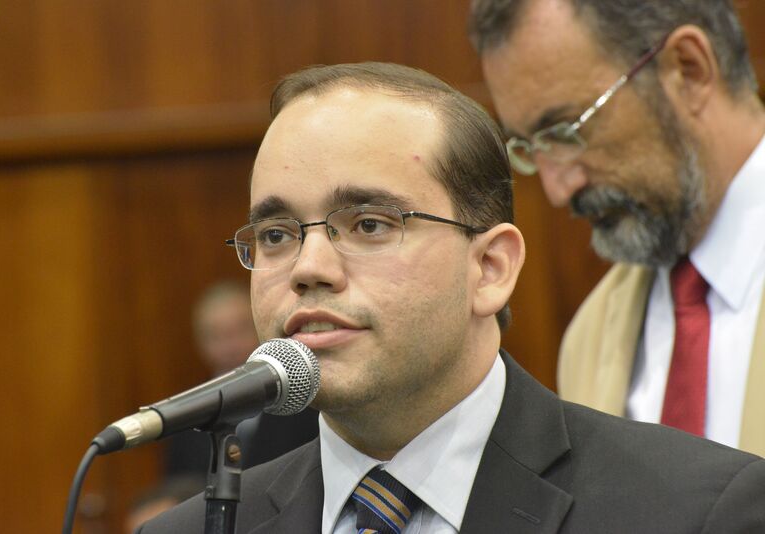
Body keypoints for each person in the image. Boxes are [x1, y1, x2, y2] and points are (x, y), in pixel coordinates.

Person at [138, 62, 765, 533]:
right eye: (276, 235)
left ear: (490, 268)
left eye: (369, 225)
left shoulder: (692, 511)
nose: (308, 268)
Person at [470, 0, 765, 455]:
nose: (557, 190)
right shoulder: (590, 337)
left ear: (688, 69)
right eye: (531, 147)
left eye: (566, 131)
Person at [165, 280, 318, 476]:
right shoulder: (187, 417)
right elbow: (179, 485)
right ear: (200, 343)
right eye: (216, 336)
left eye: (240, 331)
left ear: (259, 328)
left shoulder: (301, 402)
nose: (230, 347)